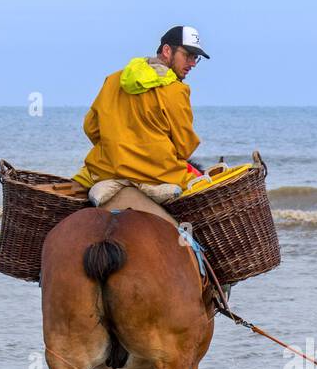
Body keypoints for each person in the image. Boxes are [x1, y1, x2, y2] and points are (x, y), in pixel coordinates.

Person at [72, 25, 212, 229]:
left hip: (107, 172)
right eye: (188, 55)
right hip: (159, 176)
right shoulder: (175, 90)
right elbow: (184, 147)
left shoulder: (113, 80)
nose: (192, 63)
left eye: (195, 58)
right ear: (167, 51)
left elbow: (91, 127)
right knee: (208, 214)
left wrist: (118, 149)